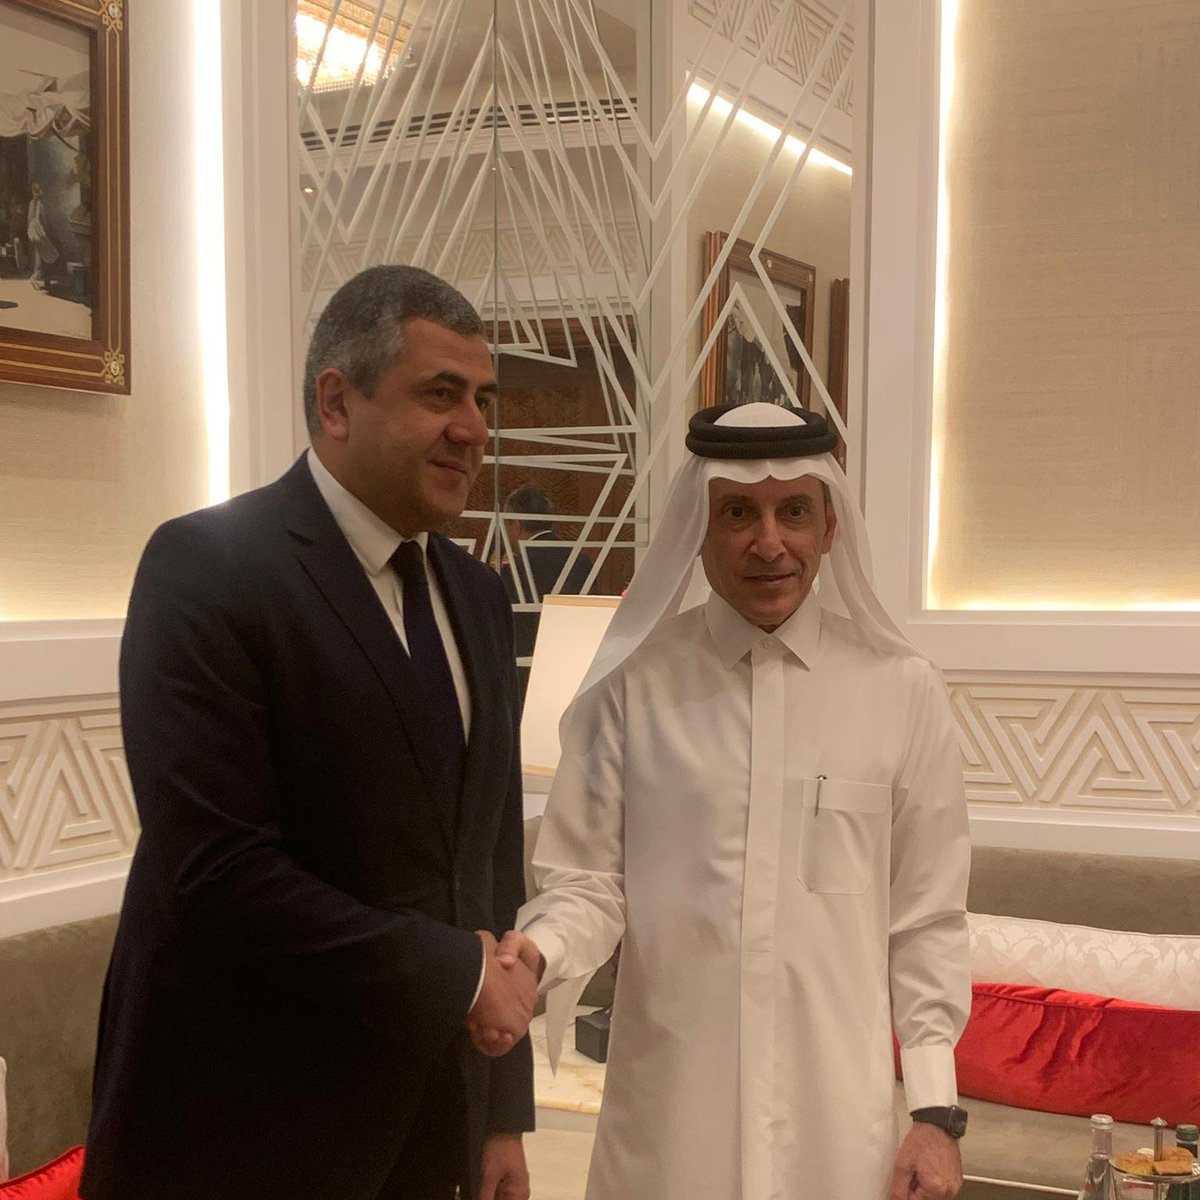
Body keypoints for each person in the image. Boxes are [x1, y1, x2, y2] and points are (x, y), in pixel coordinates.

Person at [82, 265, 537, 1200]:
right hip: (244, 1131)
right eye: (441, 394)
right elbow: (216, 873)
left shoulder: (480, 596)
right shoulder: (207, 568)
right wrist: (457, 976)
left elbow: (489, 864)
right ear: (336, 402)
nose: (474, 429)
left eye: (483, 401)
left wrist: (501, 1112)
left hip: (431, 1129)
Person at [508, 402, 972, 1200]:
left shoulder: (903, 691)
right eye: (737, 514)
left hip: (831, 1132)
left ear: (829, 526)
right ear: (698, 526)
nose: (768, 542)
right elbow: (587, 885)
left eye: (793, 511)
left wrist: (935, 1111)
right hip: (672, 1124)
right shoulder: (633, 686)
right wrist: (539, 953)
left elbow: (926, 919)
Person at [498, 484, 593, 688]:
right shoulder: (581, 560)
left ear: (517, 525)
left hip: (529, 671)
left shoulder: (516, 569)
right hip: (575, 665)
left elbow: (507, 627)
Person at [26, 182, 59, 292]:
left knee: (41, 258)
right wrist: (46, 234)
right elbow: (43, 221)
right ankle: (37, 278)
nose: (37, 193)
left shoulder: (33, 204)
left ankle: (43, 280)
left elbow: (30, 220)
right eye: (36, 191)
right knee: (43, 258)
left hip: (37, 234)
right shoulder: (39, 205)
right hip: (41, 234)